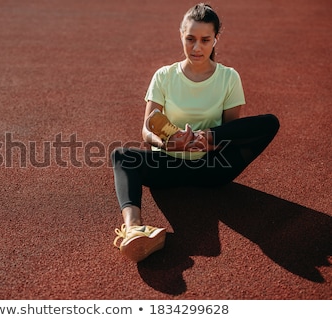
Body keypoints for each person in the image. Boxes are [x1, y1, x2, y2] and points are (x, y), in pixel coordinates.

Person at [111, 3, 280, 262]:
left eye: (205, 40)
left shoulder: (229, 78)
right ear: (181, 36)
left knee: (269, 122)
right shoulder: (164, 76)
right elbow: (146, 131)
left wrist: (208, 142)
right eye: (190, 39)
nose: (197, 47)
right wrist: (167, 144)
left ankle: (206, 138)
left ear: (216, 39)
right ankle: (134, 229)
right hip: (166, 165)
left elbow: (232, 132)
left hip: (213, 167)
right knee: (122, 156)